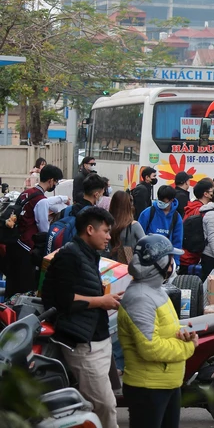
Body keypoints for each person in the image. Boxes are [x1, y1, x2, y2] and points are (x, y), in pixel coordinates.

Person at [41, 206, 121, 428]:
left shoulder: (88, 254)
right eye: (105, 231)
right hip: (83, 343)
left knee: (101, 403)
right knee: (105, 405)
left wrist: (105, 299)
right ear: (90, 230)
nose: (108, 237)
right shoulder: (69, 255)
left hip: (97, 338)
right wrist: (101, 301)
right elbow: (62, 300)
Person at [117, 234, 197, 428]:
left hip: (166, 383)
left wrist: (185, 333)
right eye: (170, 259)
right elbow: (150, 348)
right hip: (149, 387)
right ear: (160, 263)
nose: (173, 265)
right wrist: (188, 347)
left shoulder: (157, 290)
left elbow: (167, 329)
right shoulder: (140, 298)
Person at [6, 164, 68, 296]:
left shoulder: (27, 193)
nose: (55, 184)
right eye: (56, 182)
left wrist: (62, 198)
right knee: (24, 285)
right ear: (51, 180)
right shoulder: (41, 200)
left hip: (14, 242)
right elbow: (43, 228)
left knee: (12, 282)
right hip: (26, 246)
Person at [138, 185, 184, 267]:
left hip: (166, 261)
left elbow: (177, 242)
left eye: (164, 201)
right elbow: (138, 237)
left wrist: (176, 263)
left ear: (171, 200)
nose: (160, 203)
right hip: (147, 257)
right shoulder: (147, 213)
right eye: (159, 200)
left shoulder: (176, 217)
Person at [180, 179, 214, 274]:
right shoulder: (200, 211)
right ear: (206, 194)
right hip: (191, 257)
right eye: (212, 191)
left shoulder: (192, 207)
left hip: (186, 255)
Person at [109, 190, 145, 265]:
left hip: (109, 264)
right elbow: (145, 245)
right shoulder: (134, 225)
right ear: (128, 206)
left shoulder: (107, 223)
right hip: (128, 265)